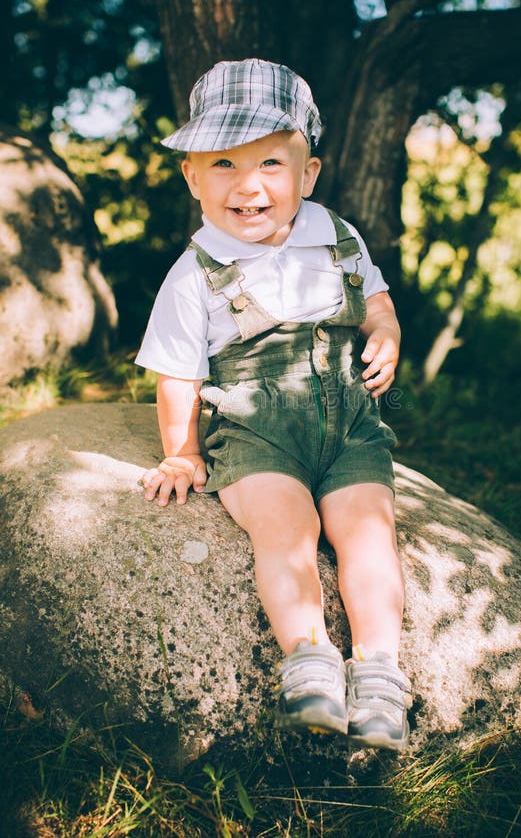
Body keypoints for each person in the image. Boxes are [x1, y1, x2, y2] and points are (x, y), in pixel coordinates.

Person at [136, 58, 412, 751]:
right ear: (192, 177)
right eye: (223, 163)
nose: (248, 184)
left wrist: (385, 330)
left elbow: (377, 303)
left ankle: (379, 671)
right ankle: (309, 658)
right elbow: (176, 372)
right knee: (284, 532)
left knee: (368, 536)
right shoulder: (196, 271)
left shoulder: (338, 238)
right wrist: (182, 449)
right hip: (260, 436)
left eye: (270, 162)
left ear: (308, 174)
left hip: (351, 427)